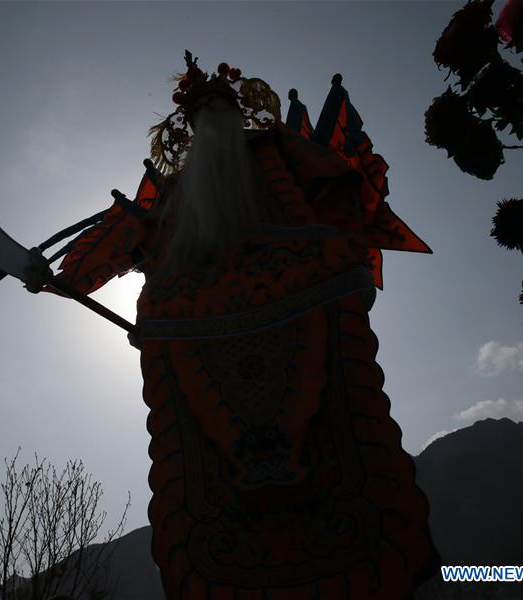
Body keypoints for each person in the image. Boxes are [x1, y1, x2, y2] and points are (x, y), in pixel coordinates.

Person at [26, 52, 441, 599]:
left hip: (300, 286)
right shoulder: (178, 188)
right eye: (203, 115)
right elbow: (131, 236)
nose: (213, 122)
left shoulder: (275, 148)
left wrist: (337, 252)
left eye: (220, 109)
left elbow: (336, 184)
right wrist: (61, 278)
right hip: (200, 316)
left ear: (237, 111)